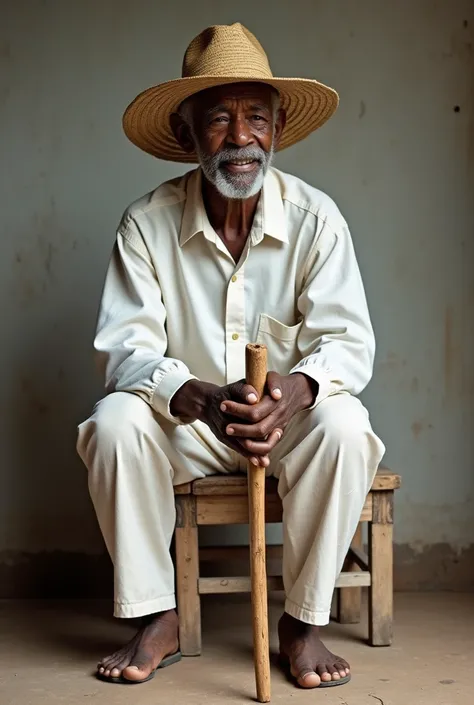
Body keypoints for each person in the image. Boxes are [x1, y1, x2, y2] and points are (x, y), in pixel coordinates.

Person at [77, 22, 385, 689]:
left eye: (256, 119)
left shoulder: (317, 219)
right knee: (112, 423)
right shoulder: (146, 223)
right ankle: (156, 611)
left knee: (346, 425)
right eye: (219, 119)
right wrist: (199, 397)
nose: (241, 138)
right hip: (189, 428)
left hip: (286, 428)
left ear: (276, 127)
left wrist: (296, 390)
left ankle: (302, 621)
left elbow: (349, 342)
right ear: (186, 135)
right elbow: (124, 350)